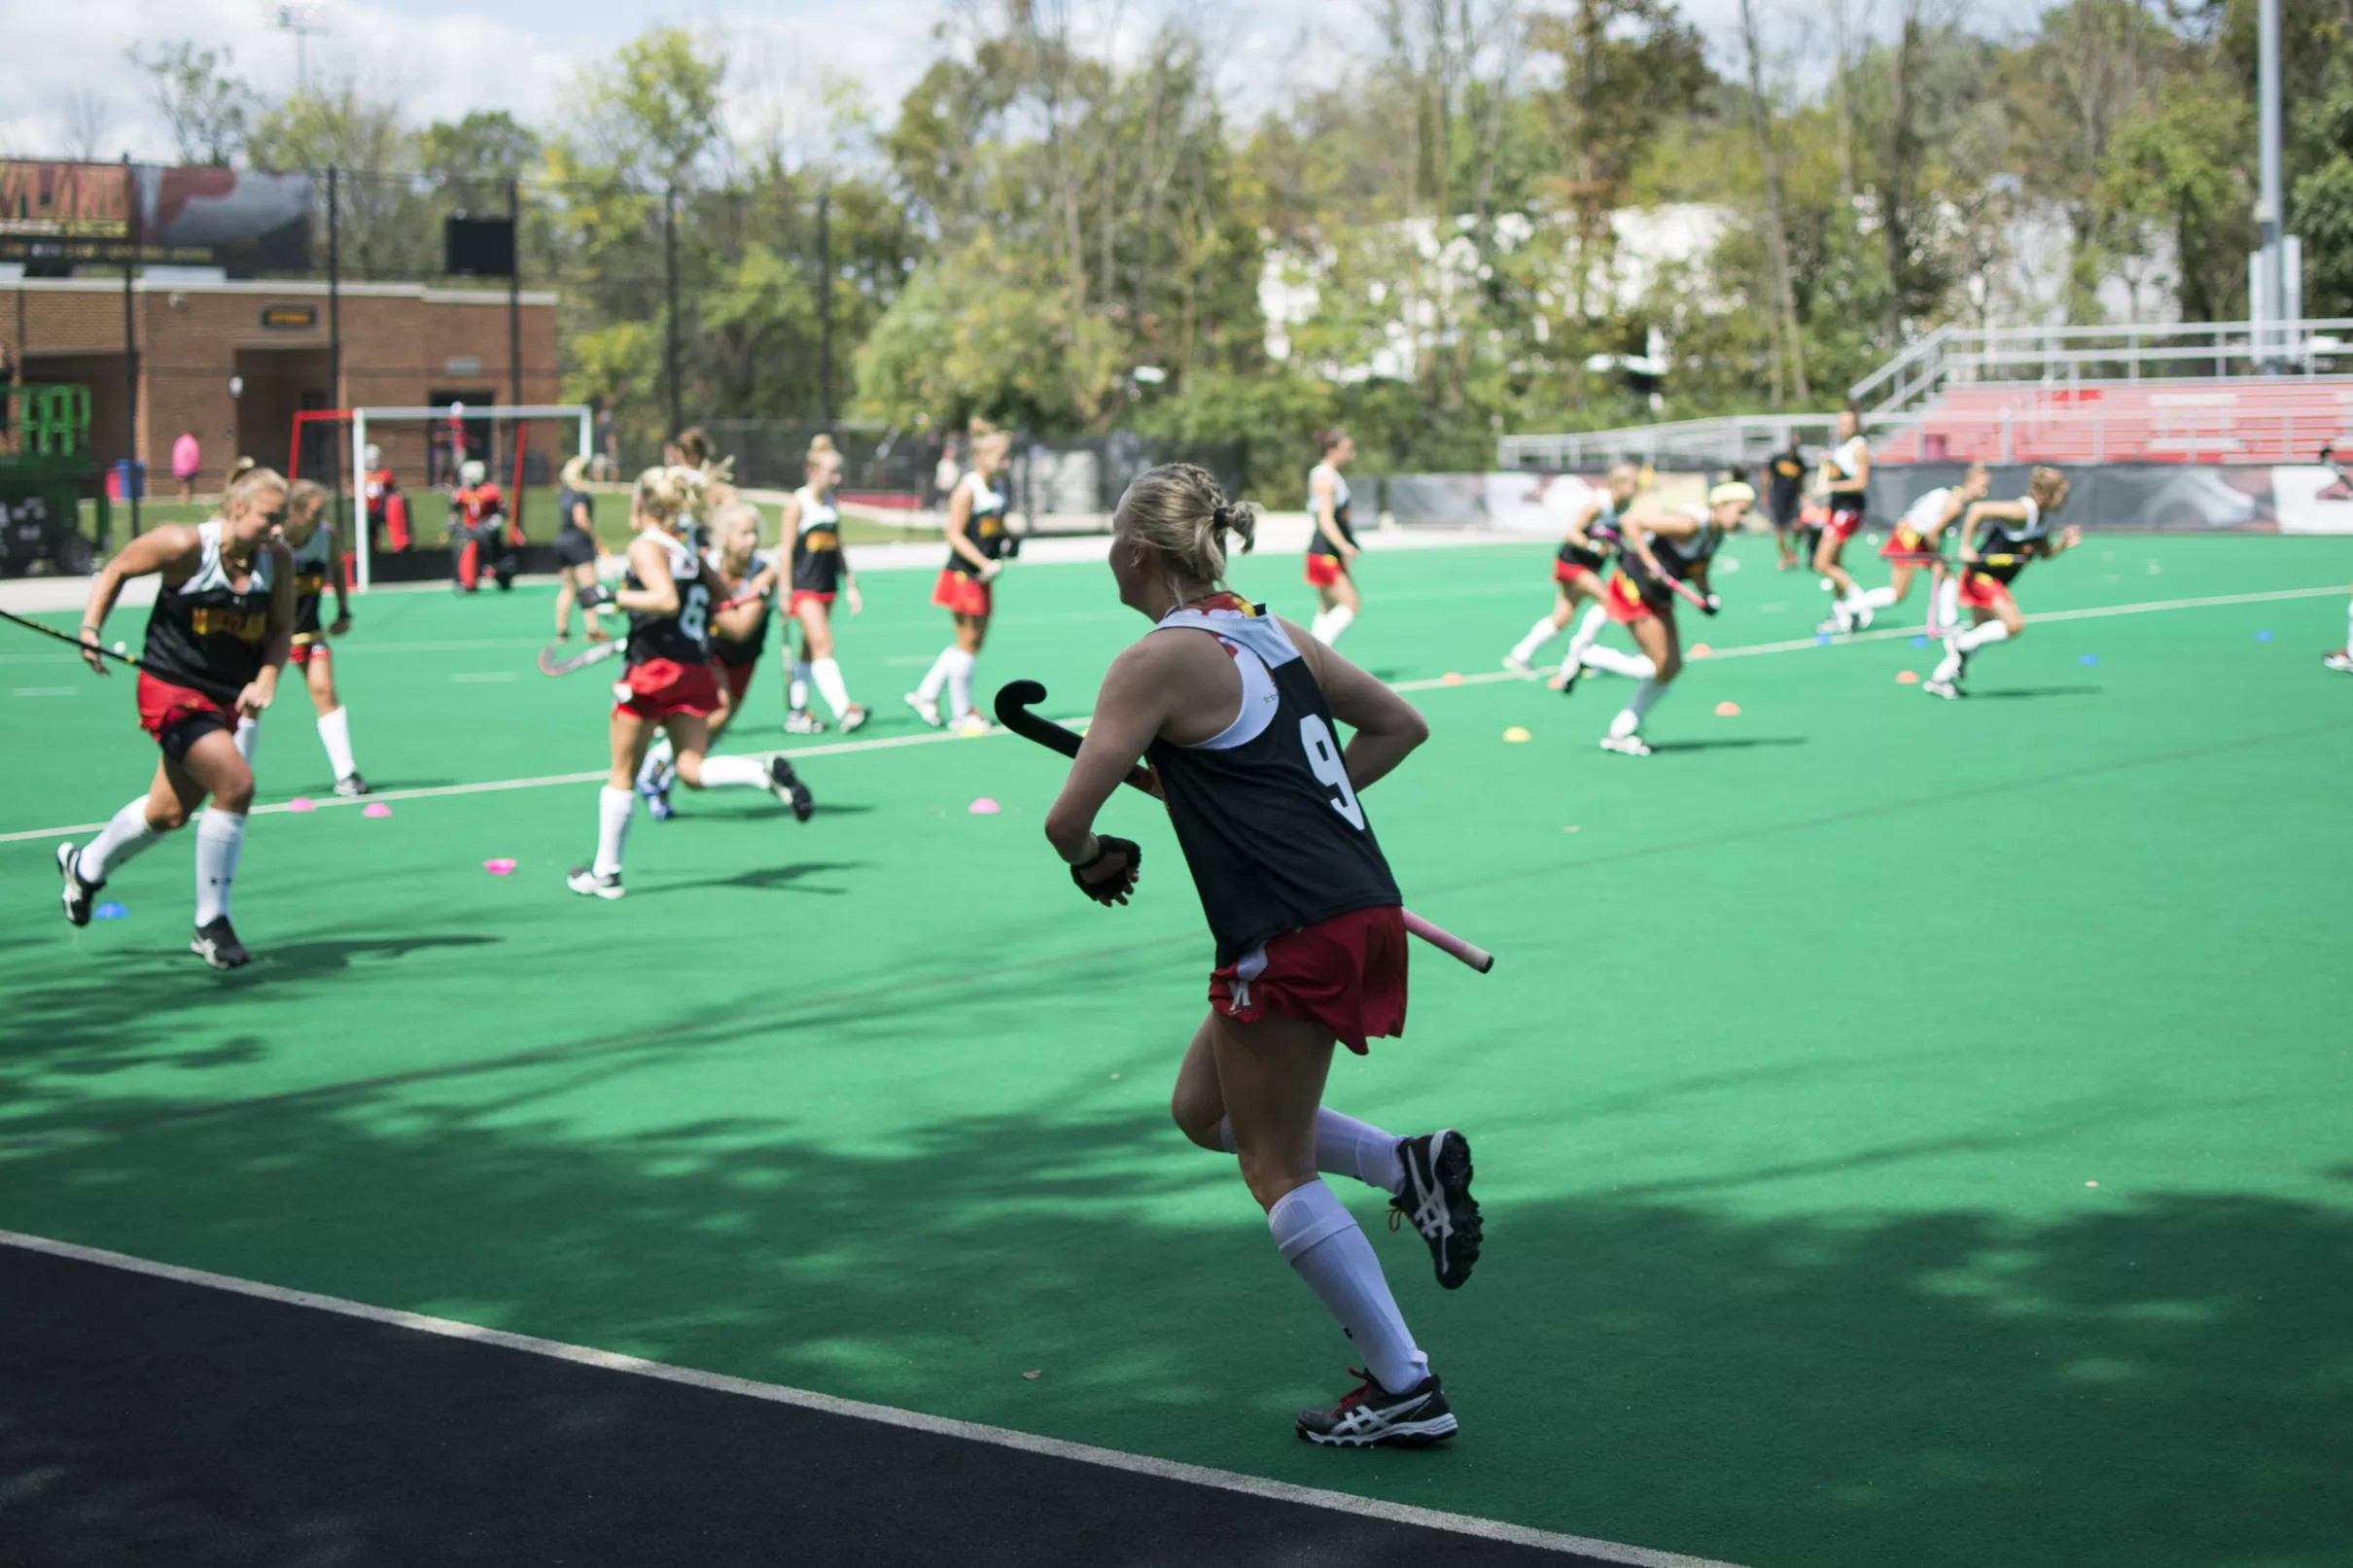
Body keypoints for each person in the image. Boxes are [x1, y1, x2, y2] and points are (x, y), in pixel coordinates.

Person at [1041, 462, 1480, 1448]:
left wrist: (1097, 857)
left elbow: (1068, 820)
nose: (1108, 555)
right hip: (1355, 905)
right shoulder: (1273, 631)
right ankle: (1401, 1164)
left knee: (1270, 1163)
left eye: (1112, 538)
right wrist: (1270, 803)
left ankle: (1403, 1381)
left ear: (1139, 551)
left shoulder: (1152, 660)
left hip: (1289, 926)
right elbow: (1397, 726)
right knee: (1203, 1111)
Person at [56, 468, 297, 970]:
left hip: (225, 696)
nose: (278, 529)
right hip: (171, 689)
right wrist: (90, 627)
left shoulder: (276, 559)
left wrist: (268, 676)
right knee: (235, 783)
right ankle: (211, 923)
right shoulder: (185, 545)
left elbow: (279, 628)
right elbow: (117, 567)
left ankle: (86, 866)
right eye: (269, 519)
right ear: (236, 509)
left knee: (168, 812)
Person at [566, 468, 813, 900]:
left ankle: (606, 874)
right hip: (694, 670)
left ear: (643, 505)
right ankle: (761, 774)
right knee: (691, 769)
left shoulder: (647, 546)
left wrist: (611, 597)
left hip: (654, 671)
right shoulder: (689, 552)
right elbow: (726, 607)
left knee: (622, 773)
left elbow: (665, 599)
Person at [636, 499, 780, 820]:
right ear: (724, 537)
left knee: (716, 726)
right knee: (718, 708)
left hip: (744, 655)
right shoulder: (705, 563)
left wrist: (705, 612)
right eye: (744, 533)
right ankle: (657, 766)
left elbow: (741, 629)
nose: (752, 540)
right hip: (708, 651)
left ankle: (661, 774)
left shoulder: (764, 572)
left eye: (755, 533)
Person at [1584, 481, 1750, 756]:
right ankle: (1589, 656)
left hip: (1658, 594)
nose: (1743, 519)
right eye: (1740, 512)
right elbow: (1630, 522)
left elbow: (1698, 568)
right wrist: (1650, 561)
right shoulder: (1688, 524)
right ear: (1720, 506)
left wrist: (1707, 594)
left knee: (1671, 668)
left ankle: (1622, 730)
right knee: (1656, 664)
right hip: (1634, 584)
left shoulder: (1715, 534)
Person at [1925, 468, 2080, 700]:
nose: (2065, 501)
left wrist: (2063, 544)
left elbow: (2043, 553)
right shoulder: (2021, 511)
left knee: (1979, 636)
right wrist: (1966, 546)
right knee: (2013, 624)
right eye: (2061, 494)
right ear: (2046, 494)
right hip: (1981, 576)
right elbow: (1978, 509)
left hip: (1996, 580)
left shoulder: (2045, 518)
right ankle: (1960, 645)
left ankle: (1940, 678)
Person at [263, 478, 369, 797]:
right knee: (249, 705)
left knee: (325, 691)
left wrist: (343, 611)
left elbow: (336, 568)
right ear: (294, 511)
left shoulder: (326, 536)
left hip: (308, 633)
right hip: (267, 638)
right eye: (315, 511)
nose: (322, 518)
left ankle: (346, 773)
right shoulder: (272, 543)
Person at [907, 429, 1014, 736]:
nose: (1005, 464)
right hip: (964, 574)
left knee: (972, 643)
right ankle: (961, 711)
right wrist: (983, 562)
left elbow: (997, 523)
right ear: (981, 457)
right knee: (968, 643)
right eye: (1001, 458)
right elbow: (954, 533)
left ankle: (925, 695)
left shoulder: (996, 486)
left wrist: (1008, 537)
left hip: (984, 575)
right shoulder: (967, 489)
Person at [1501, 462, 1637, 685]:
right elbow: (1572, 533)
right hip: (1574, 563)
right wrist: (1594, 547)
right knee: (1609, 601)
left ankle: (1520, 654)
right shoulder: (1598, 504)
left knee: (1563, 616)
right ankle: (1580, 655)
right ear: (1619, 484)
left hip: (1590, 566)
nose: (1637, 488)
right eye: (1633, 483)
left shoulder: (1624, 505)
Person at [782, 434, 867, 734]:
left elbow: (837, 546)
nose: (837, 477)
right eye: (832, 472)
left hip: (826, 585)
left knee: (808, 650)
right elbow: (785, 551)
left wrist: (851, 584)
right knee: (823, 644)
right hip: (803, 587)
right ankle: (844, 708)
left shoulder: (831, 502)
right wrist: (783, 591)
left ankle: (797, 711)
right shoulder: (798, 503)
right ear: (812, 471)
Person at [1876, 464, 1991, 636]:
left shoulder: (1952, 496)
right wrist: (1937, 560)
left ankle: (1948, 622)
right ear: (1969, 481)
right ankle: (1853, 608)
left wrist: (1939, 560)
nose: (1985, 493)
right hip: (1908, 538)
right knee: (1898, 593)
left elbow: (1935, 533)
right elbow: (1932, 534)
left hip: (1916, 536)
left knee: (1947, 576)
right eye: (1982, 487)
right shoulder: (1955, 505)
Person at [1814, 408, 1874, 632]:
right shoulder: (1842, 448)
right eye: (1840, 422)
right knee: (1834, 563)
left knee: (1822, 563)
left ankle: (1860, 603)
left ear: (1855, 425)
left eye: (1847, 423)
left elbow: (1860, 483)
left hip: (1848, 510)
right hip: (1837, 508)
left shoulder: (1859, 447)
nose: (1842, 427)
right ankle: (1842, 614)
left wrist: (1829, 486)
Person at [1304, 431, 1361, 646]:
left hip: (1323, 551)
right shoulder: (1325, 478)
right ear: (1331, 450)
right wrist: (1344, 546)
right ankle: (1318, 658)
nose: (1351, 455)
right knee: (1350, 604)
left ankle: (1314, 658)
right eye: (1347, 450)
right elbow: (1325, 519)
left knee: (1326, 608)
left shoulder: (1324, 474)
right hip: (1324, 551)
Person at [551, 456, 608, 644]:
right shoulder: (580, 493)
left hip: (561, 541)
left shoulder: (565, 492)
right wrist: (595, 540)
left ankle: (561, 631)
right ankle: (592, 629)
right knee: (588, 586)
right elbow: (581, 519)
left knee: (567, 587)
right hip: (578, 543)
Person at [448, 459, 515, 593]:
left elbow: (503, 511)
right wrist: (453, 522)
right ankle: (466, 580)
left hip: (487, 532)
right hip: (469, 531)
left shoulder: (491, 491)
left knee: (499, 558)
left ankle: (500, 574)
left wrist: (493, 522)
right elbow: (454, 510)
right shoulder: (461, 492)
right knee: (463, 549)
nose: (465, 480)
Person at [1767, 435, 1807, 570]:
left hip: (1793, 499)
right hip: (1779, 499)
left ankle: (1793, 550)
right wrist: (1764, 492)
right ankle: (1783, 557)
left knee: (1797, 526)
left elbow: (1802, 480)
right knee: (1780, 530)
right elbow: (1766, 473)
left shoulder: (1800, 462)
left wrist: (1803, 495)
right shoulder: (1778, 459)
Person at [363, 443, 410, 553]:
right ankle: (370, 548)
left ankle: (400, 542)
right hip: (368, 510)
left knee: (395, 503)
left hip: (382, 507)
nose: (373, 463)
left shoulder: (385, 474)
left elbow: (393, 490)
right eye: (371, 460)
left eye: (375, 459)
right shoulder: (362, 476)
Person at [171, 430, 202, 505]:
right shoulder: (191, 442)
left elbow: (176, 454)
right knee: (188, 484)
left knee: (184, 484)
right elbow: (194, 456)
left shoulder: (180, 441)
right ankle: (187, 500)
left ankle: (184, 499)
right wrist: (196, 467)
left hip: (179, 469)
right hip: (189, 468)